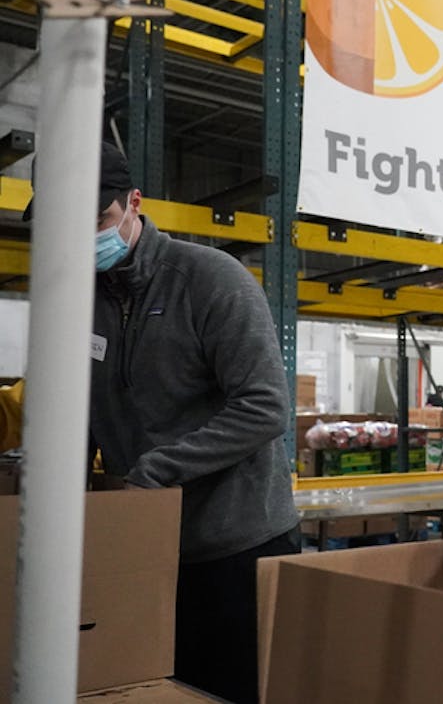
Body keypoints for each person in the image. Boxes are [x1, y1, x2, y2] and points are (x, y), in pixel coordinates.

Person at [25, 142, 300, 704]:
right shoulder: (78, 299)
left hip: (234, 548)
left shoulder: (210, 280)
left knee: (230, 690)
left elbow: (266, 405)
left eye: (96, 219)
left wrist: (157, 469)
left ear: (133, 203)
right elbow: (79, 409)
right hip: (144, 547)